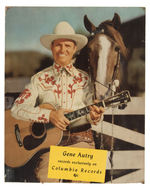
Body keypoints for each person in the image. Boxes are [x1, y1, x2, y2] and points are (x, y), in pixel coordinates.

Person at [10, 21, 104, 182]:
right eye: (58, 45)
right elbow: (16, 109)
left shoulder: (85, 79)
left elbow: (91, 113)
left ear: (75, 49)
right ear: (52, 48)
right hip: (49, 146)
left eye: (68, 45)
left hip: (81, 141)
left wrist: (95, 116)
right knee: (46, 178)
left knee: (82, 180)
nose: (63, 49)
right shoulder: (39, 79)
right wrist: (49, 115)